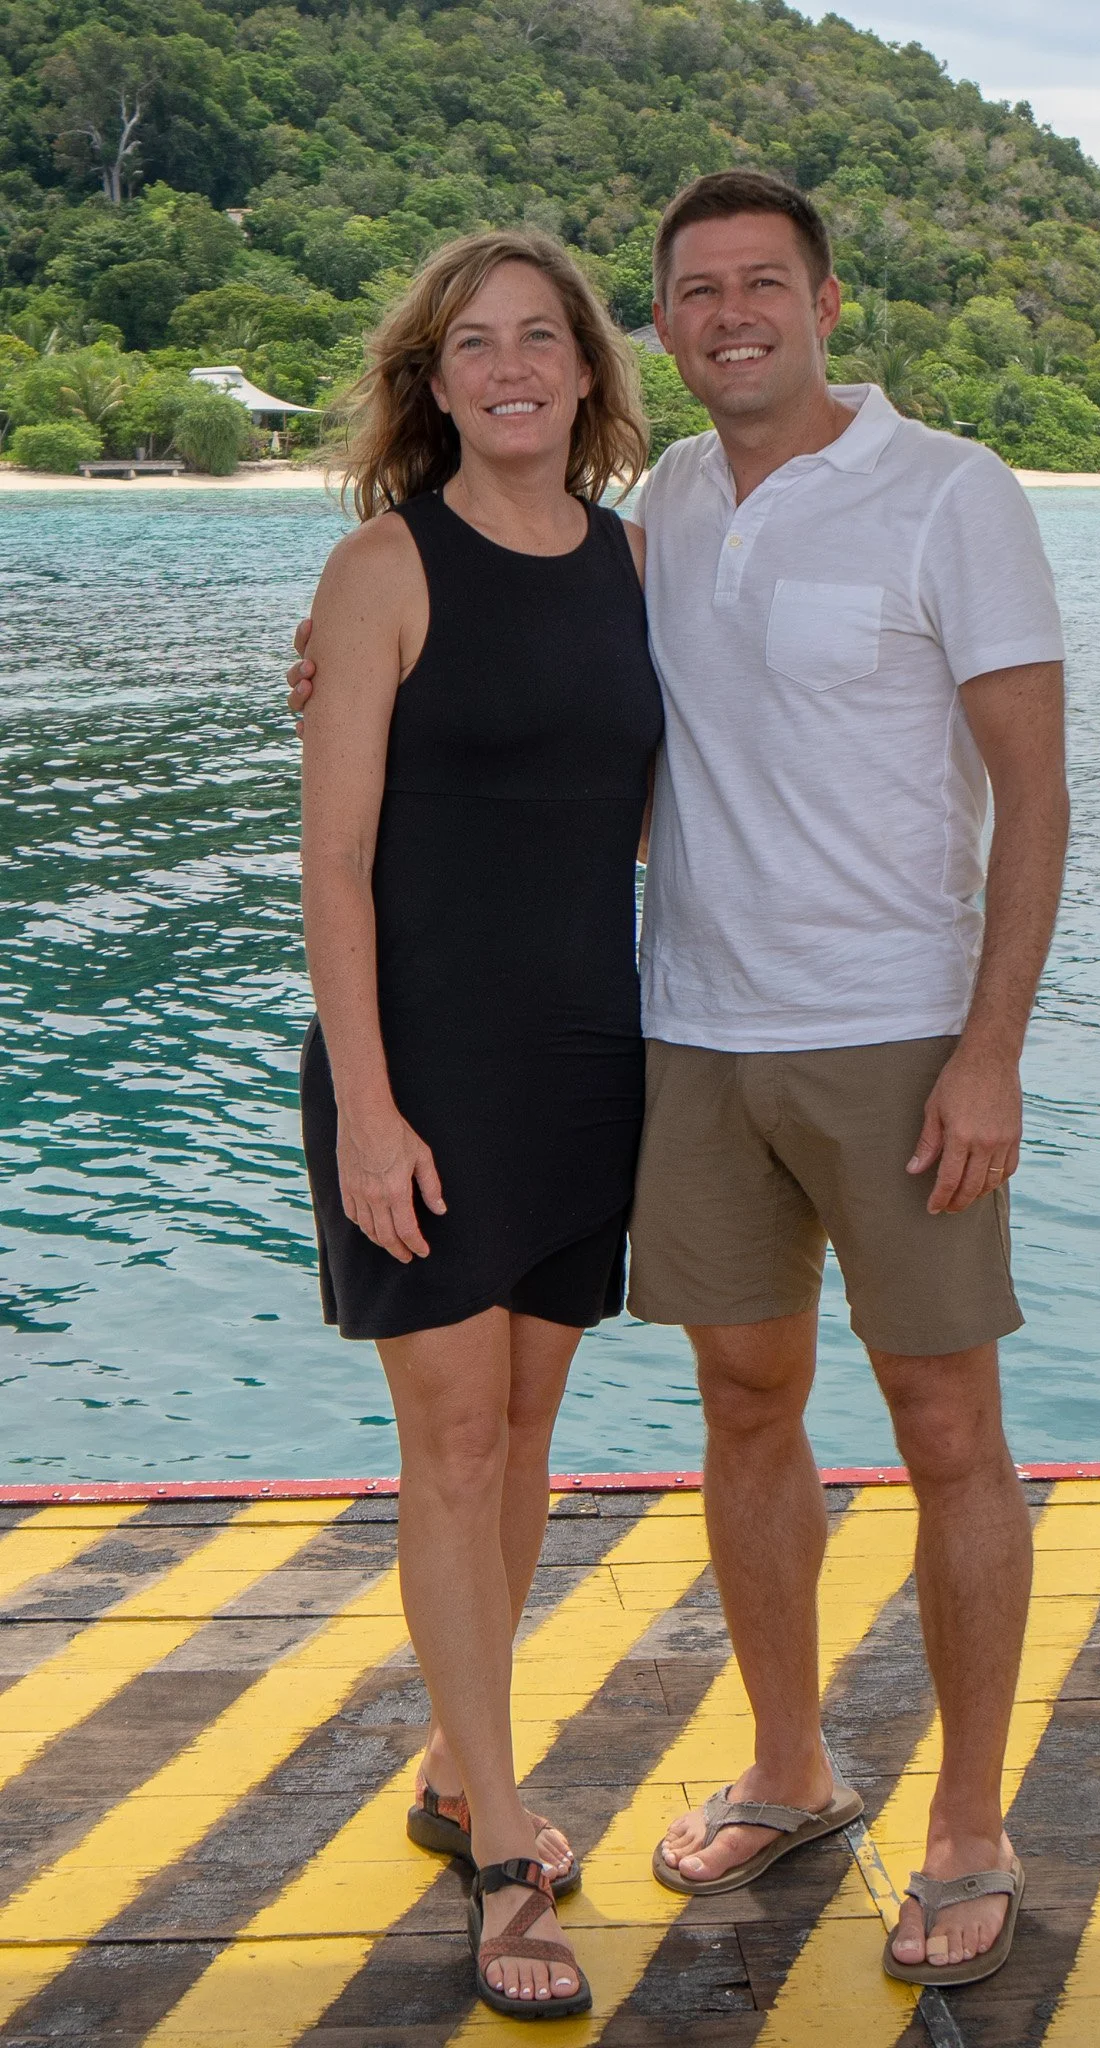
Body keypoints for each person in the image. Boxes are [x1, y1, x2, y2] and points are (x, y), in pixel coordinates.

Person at [293, 170, 1068, 1992]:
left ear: (823, 301)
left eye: (762, 283)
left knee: (941, 1426)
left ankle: (966, 1826)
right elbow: (425, 789)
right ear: (656, 328)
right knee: (716, 1407)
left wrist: (992, 1049)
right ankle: (750, 1778)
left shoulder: (924, 497)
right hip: (668, 1041)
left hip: (861, 1036)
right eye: (697, 290)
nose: (732, 314)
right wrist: (338, 678)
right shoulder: (648, 518)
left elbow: (1024, 793)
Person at [296, 228, 662, 2020]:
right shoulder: (382, 569)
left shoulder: (638, 562)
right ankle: (506, 1850)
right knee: (449, 1438)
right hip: (423, 1064)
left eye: (539, 338)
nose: (509, 367)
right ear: (431, 385)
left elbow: (659, 810)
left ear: (587, 368)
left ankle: (460, 1763)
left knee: (521, 1435)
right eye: (472, 345)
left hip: (586, 1056)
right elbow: (336, 863)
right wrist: (368, 1110)